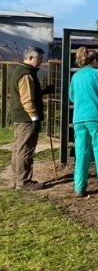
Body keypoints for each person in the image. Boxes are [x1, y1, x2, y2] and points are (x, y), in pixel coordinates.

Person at [68, 47, 98, 197]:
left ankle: (79, 188)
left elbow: (72, 97)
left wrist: (82, 101)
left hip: (78, 118)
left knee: (81, 153)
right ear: (95, 60)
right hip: (96, 117)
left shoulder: (76, 76)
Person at [9, 45, 52, 190]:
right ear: (30, 58)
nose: (41, 62)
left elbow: (29, 93)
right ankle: (24, 181)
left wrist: (43, 91)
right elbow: (27, 99)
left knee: (18, 148)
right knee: (25, 149)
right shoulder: (26, 74)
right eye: (39, 59)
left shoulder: (20, 71)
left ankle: (16, 180)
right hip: (26, 117)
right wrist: (34, 118)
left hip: (20, 116)